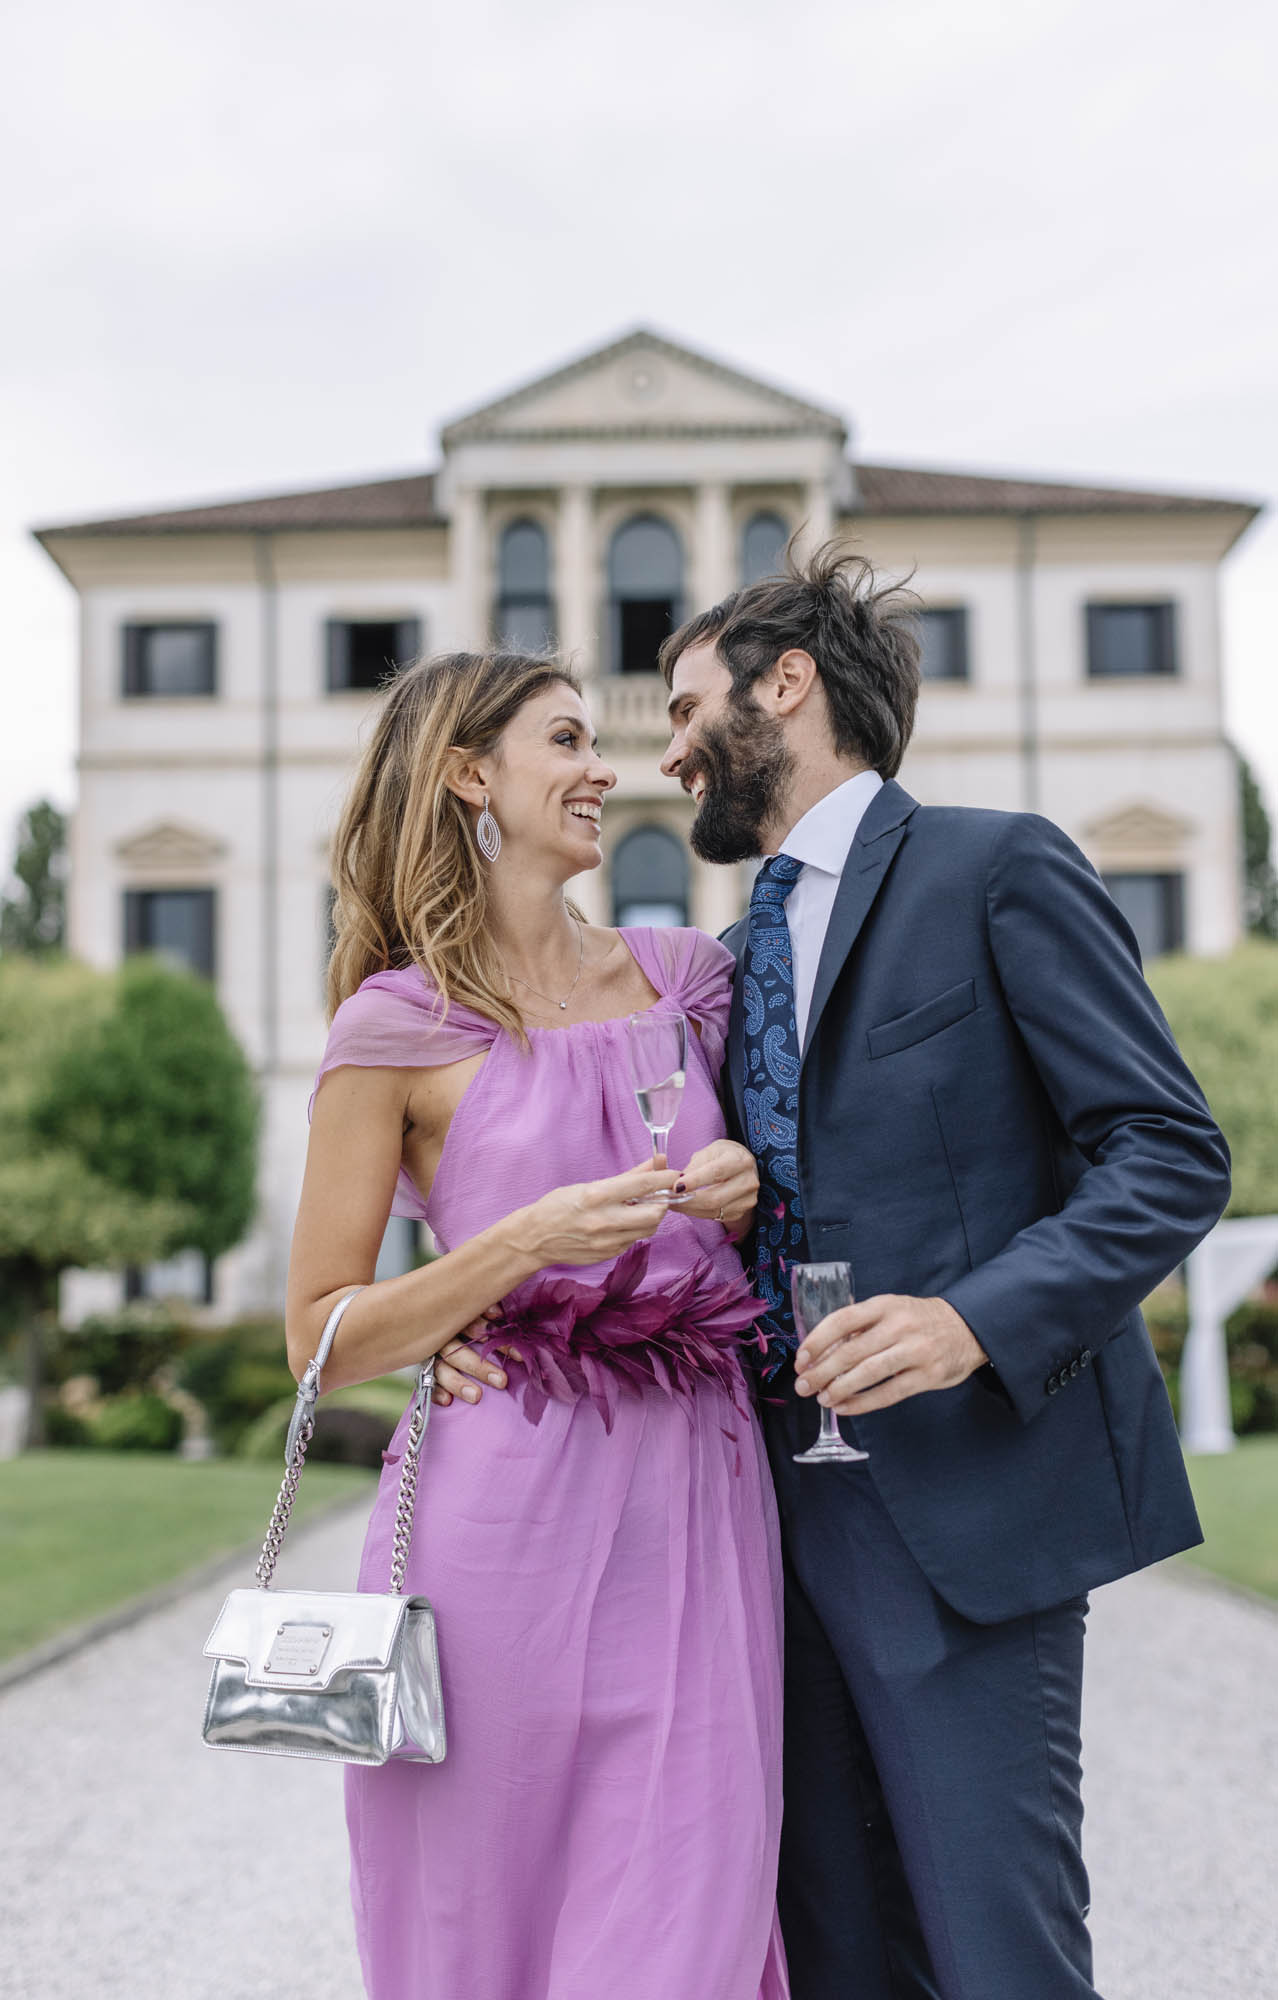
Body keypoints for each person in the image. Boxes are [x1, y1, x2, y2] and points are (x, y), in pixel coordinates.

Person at [647, 542, 1231, 2000]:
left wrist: (972, 1322)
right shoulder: (729, 957)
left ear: (783, 685)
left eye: (679, 707)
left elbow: (1166, 1153)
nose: (665, 754)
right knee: (837, 1954)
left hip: (964, 1511)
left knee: (995, 1957)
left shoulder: (994, 864)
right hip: (764, 1521)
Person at [286, 649, 789, 2000]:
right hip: (497, 1515)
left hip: (695, 1485)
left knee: (688, 1907)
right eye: (564, 740)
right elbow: (320, 1336)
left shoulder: (689, 980)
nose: (600, 767)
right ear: (469, 775)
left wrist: (744, 1196)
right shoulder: (393, 1027)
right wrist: (514, 1247)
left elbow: (785, 1199)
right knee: (478, 1916)